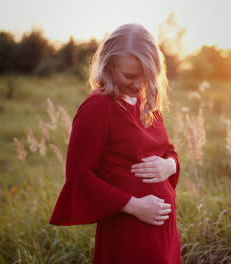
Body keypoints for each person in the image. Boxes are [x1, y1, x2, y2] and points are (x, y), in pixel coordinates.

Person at [49, 23, 181, 264]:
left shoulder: (146, 103)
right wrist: (135, 206)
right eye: (129, 76)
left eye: (146, 76)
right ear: (109, 66)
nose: (138, 84)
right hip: (129, 228)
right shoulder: (98, 108)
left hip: (164, 232)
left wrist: (169, 166)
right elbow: (79, 177)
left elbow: (167, 150)